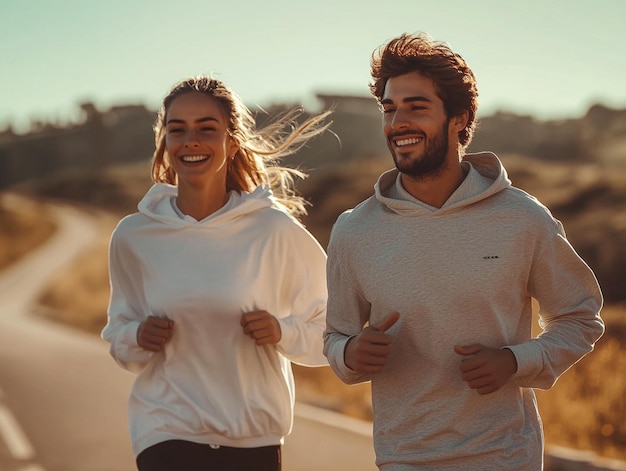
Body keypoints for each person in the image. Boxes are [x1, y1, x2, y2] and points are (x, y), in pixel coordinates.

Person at [323, 33, 604, 470]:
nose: (398, 122)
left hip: (504, 456)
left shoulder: (522, 218)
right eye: (390, 108)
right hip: (403, 459)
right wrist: (349, 354)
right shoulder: (354, 230)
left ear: (460, 117)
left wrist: (514, 360)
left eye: (416, 107)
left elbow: (580, 317)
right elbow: (335, 336)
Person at [101, 75, 330, 471]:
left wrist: (282, 331)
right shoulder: (135, 235)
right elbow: (118, 337)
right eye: (177, 130)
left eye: (207, 129)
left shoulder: (273, 230)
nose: (190, 140)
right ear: (165, 143)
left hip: (252, 435)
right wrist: (138, 335)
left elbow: (332, 329)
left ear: (232, 140)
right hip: (164, 429)